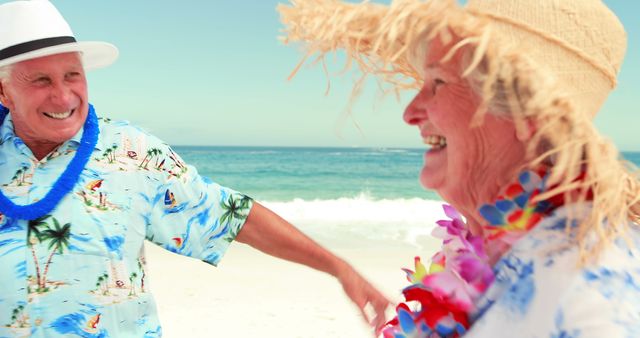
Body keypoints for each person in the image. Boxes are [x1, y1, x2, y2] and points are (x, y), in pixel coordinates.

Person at [0, 1, 390, 336]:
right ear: (4, 91)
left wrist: (339, 268)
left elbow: (233, 217)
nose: (64, 95)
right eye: (41, 80)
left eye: (73, 75)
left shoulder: (132, 153)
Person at [279, 0, 640, 337]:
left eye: (438, 83)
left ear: (524, 111)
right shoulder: (488, 248)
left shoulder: (589, 294)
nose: (410, 112)